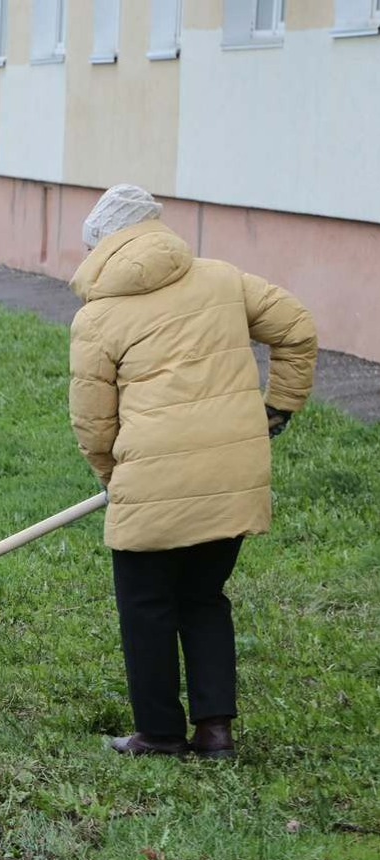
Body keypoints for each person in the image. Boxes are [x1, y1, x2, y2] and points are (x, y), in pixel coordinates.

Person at [68, 184, 317, 759]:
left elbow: (93, 423)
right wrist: (274, 408)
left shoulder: (98, 316)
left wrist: (112, 476)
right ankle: (214, 733)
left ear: (100, 248)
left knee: (146, 604)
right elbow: (297, 327)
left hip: (150, 480)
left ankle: (158, 734)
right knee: (204, 596)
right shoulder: (223, 279)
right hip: (233, 471)